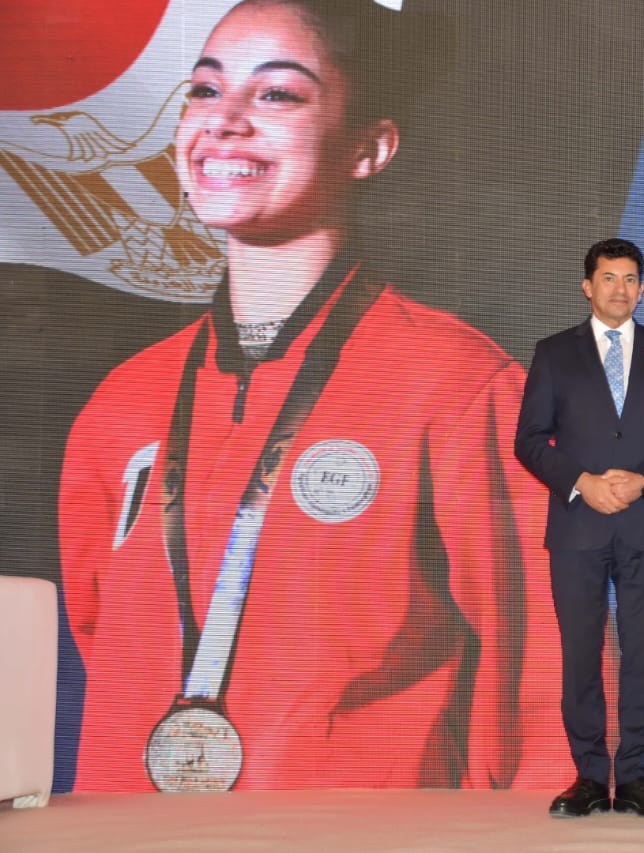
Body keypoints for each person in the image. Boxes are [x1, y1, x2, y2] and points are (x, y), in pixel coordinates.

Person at [59, 0, 567, 792]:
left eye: (277, 94)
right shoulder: (122, 404)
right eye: (204, 90)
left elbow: (552, 692)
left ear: (370, 147)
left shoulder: (459, 390)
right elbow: (105, 647)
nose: (225, 121)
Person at [514, 237, 644, 818]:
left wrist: (643, 482)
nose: (620, 288)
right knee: (581, 653)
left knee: (643, 654)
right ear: (587, 286)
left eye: (630, 279)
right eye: (609, 278)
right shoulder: (554, 353)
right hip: (577, 527)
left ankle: (636, 776)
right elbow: (529, 440)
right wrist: (581, 482)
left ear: (641, 290)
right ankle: (590, 776)